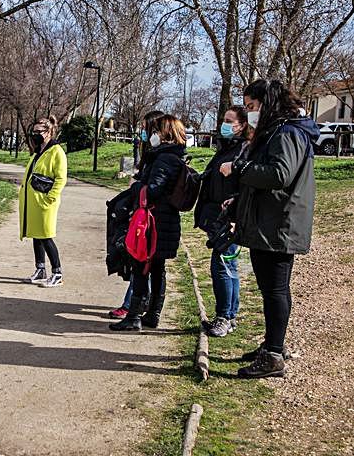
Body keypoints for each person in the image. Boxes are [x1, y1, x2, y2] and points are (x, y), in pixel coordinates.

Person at [220, 79, 319, 378]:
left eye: (251, 107)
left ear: (268, 103)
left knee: (275, 289)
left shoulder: (287, 132)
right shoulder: (280, 131)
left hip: (279, 226)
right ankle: (271, 345)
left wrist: (240, 168)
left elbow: (279, 174)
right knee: (270, 289)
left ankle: (274, 354)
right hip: (271, 222)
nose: (250, 113)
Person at [110, 114, 186, 331]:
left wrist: (135, 185)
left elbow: (153, 190)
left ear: (165, 134)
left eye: (155, 131)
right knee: (156, 269)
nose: (150, 135)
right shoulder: (174, 156)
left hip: (153, 222)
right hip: (164, 221)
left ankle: (134, 315)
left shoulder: (164, 159)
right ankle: (152, 313)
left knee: (142, 267)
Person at [193, 105, 252, 337]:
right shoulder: (227, 149)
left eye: (230, 121)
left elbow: (242, 186)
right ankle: (230, 315)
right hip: (216, 218)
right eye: (224, 120)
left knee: (222, 267)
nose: (224, 125)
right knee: (230, 266)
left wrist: (234, 215)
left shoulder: (243, 151)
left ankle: (224, 317)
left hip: (228, 219)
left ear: (242, 125)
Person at [19, 116, 68, 287]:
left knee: (46, 236)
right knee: (36, 235)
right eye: (34, 131)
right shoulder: (39, 150)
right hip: (33, 202)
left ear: (49, 132)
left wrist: (50, 198)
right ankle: (40, 269)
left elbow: (61, 179)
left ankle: (57, 272)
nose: (35, 134)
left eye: (39, 131)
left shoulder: (57, 151)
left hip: (45, 202)